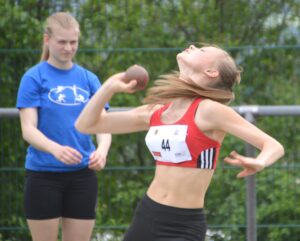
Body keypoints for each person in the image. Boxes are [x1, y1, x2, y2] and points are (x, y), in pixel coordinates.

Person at [75, 44, 285, 241]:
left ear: (211, 72)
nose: (193, 46)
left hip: (183, 225)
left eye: (201, 50)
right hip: (147, 214)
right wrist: (109, 88)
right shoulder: (158, 111)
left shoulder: (209, 110)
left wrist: (261, 162)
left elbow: (273, 146)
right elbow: (87, 125)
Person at [16, 12, 111, 241]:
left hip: (82, 177)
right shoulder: (33, 78)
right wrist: (55, 149)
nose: (68, 48)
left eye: (73, 42)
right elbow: (28, 129)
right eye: (62, 42)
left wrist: (102, 151)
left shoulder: (89, 79)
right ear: (47, 40)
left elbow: (103, 125)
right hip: (43, 176)